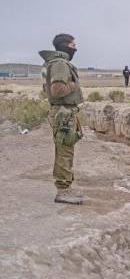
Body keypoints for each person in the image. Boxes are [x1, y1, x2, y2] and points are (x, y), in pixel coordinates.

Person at [39, 33, 84, 204]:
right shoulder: (59, 64)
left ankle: (66, 188)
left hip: (64, 112)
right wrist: (75, 84)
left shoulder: (55, 63)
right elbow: (57, 90)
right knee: (64, 152)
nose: (75, 48)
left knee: (66, 149)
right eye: (73, 45)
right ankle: (63, 191)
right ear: (64, 46)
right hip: (63, 113)